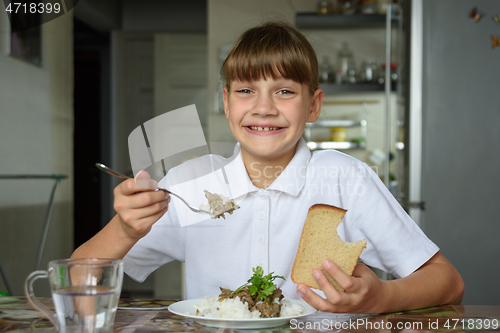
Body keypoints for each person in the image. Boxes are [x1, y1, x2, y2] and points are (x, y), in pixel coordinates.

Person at [72, 21, 464, 313]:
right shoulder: (192, 183)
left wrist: (382, 296)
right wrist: (124, 229)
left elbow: (448, 281)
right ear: (226, 103)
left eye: (285, 91)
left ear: (313, 105)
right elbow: (78, 279)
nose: (263, 107)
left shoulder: (345, 179)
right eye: (246, 90)